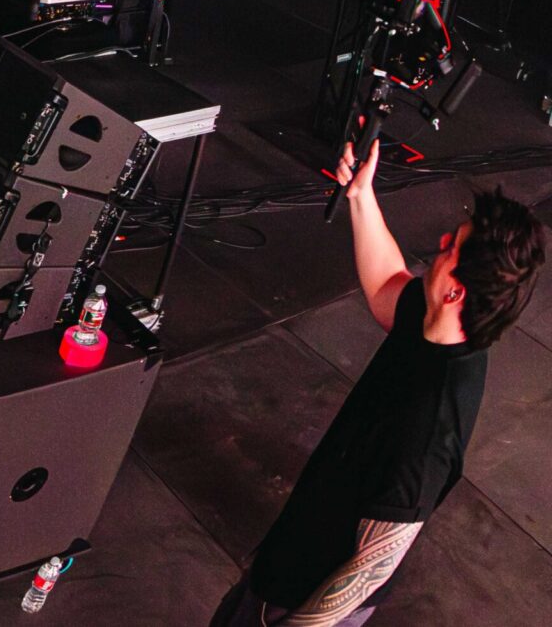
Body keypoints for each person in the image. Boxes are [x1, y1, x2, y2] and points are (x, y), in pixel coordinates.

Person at [209, 139, 543, 625]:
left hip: (299, 601)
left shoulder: (428, 430)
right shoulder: (439, 325)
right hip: (285, 559)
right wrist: (362, 196)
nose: (441, 242)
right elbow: (388, 285)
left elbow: (373, 565)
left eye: (450, 247)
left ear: (455, 292)